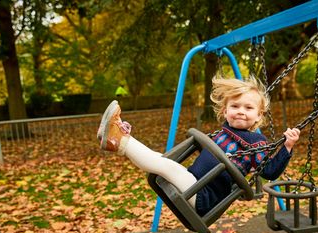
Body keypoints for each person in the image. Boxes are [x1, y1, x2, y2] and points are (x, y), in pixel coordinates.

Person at [98, 76, 300, 216]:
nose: (240, 111)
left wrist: (287, 146)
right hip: (193, 183)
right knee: (161, 159)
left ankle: (120, 140)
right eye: (235, 106)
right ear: (225, 110)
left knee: (167, 166)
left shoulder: (257, 142)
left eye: (248, 108)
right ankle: (114, 139)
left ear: (259, 115)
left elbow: (271, 172)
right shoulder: (223, 132)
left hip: (203, 197)